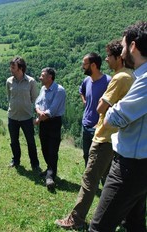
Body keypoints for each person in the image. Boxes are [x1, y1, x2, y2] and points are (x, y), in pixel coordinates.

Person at [55, 40, 134, 230]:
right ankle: (125, 220)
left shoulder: (118, 78)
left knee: (89, 179)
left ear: (118, 58)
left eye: (109, 56)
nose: (107, 59)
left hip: (104, 137)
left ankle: (76, 219)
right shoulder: (130, 75)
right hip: (115, 137)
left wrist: (101, 104)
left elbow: (101, 107)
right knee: (112, 181)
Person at [89, 21, 147, 232]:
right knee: (134, 225)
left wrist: (112, 110)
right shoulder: (139, 77)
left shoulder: (145, 80)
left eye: (123, 47)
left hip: (130, 167)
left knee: (99, 227)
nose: (121, 53)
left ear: (133, 47)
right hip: (140, 164)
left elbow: (114, 117)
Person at [6, 56, 40, 171]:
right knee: (14, 141)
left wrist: (37, 117)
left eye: (13, 67)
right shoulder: (9, 81)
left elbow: (35, 100)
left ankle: (35, 164)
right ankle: (16, 160)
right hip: (13, 116)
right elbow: (9, 97)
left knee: (31, 142)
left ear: (20, 68)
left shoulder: (31, 82)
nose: (11, 69)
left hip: (26, 117)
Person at [35, 67, 66, 190]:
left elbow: (51, 111)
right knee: (44, 148)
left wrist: (39, 118)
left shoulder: (59, 90)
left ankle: (50, 176)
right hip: (44, 122)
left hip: (53, 123)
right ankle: (49, 169)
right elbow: (37, 103)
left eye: (42, 75)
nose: (40, 77)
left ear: (50, 77)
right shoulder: (43, 88)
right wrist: (39, 113)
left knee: (53, 149)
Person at [79, 53, 111, 166]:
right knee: (86, 156)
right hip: (86, 125)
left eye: (84, 64)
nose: (82, 66)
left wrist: (99, 124)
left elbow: (112, 106)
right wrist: (84, 101)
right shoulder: (87, 80)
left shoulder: (108, 82)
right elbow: (81, 91)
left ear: (93, 65)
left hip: (99, 128)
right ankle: (90, 183)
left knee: (99, 160)